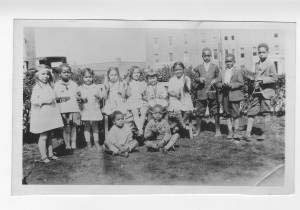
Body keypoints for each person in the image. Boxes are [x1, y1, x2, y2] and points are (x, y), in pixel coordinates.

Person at [30, 65, 64, 163]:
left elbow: (53, 96)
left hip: (50, 113)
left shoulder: (49, 85)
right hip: (43, 114)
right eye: (43, 74)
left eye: (47, 74)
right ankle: (44, 156)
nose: (46, 76)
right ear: (37, 75)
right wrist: (45, 101)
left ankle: (50, 154)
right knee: (44, 135)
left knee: (50, 135)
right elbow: (34, 101)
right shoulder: (37, 87)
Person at [243, 43, 277, 141]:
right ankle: (247, 133)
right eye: (259, 52)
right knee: (252, 111)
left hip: (266, 92)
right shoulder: (257, 64)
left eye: (263, 52)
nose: (261, 54)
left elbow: (274, 78)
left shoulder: (271, 64)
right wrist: (253, 79)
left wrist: (262, 80)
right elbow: (256, 77)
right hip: (257, 91)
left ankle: (265, 133)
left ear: (267, 52)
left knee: (266, 112)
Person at [192, 48, 221, 137]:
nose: (207, 57)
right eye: (205, 56)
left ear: (211, 56)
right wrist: (199, 79)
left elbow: (219, 77)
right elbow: (195, 78)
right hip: (201, 92)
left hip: (212, 92)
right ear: (202, 56)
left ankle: (217, 130)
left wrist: (215, 80)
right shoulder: (198, 67)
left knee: (215, 111)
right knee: (199, 112)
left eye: (208, 56)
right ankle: (198, 129)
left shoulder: (215, 67)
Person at [216, 54, 244, 141]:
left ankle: (236, 131)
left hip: (234, 95)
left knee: (235, 114)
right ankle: (230, 131)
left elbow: (240, 83)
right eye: (227, 61)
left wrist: (231, 85)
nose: (228, 63)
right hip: (225, 95)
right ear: (225, 63)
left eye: (230, 61)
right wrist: (222, 85)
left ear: (234, 62)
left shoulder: (237, 71)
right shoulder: (222, 72)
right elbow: (217, 83)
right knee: (227, 113)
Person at [54, 64, 81, 151]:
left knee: (73, 127)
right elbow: (55, 98)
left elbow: (78, 96)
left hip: (73, 109)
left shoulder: (74, 84)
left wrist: (79, 98)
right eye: (64, 72)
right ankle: (67, 144)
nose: (66, 74)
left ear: (71, 74)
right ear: (60, 74)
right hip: (63, 109)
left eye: (68, 72)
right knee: (66, 127)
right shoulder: (56, 85)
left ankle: (73, 142)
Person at [78, 68, 103, 151]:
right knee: (87, 126)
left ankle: (96, 142)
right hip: (86, 109)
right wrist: (81, 99)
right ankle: (88, 143)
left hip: (95, 108)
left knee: (95, 126)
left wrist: (98, 97)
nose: (88, 79)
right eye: (85, 77)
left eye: (89, 77)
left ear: (93, 77)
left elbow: (100, 97)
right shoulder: (80, 88)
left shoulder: (96, 87)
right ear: (82, 78)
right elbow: (77, 99)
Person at [168, 62, 194, 128]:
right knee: (177, 110)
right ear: (174, 71)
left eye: (180, 69)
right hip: (175, 98)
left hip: (185, 98)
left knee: (188, 111)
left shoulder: (187, 78)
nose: (178, 71)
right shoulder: (172, 80)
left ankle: (177, 126)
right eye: (176, 70)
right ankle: (183, 125)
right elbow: (169, 91)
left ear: (183, 70)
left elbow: (188, 90)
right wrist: (175, 94)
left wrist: (185, 84)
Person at [125, 66, 147, 136]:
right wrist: (127, 85)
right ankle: (140, 129)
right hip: (132, 101)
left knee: (143, 111)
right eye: (134, 73)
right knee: (135, 112)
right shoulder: (129, 83)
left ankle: (140, 129)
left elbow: (143, 94)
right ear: (131, 74)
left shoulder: (142, 83)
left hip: (140, 101)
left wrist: (145, 97)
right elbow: (127, 94)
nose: (136, 74)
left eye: (138, 73)